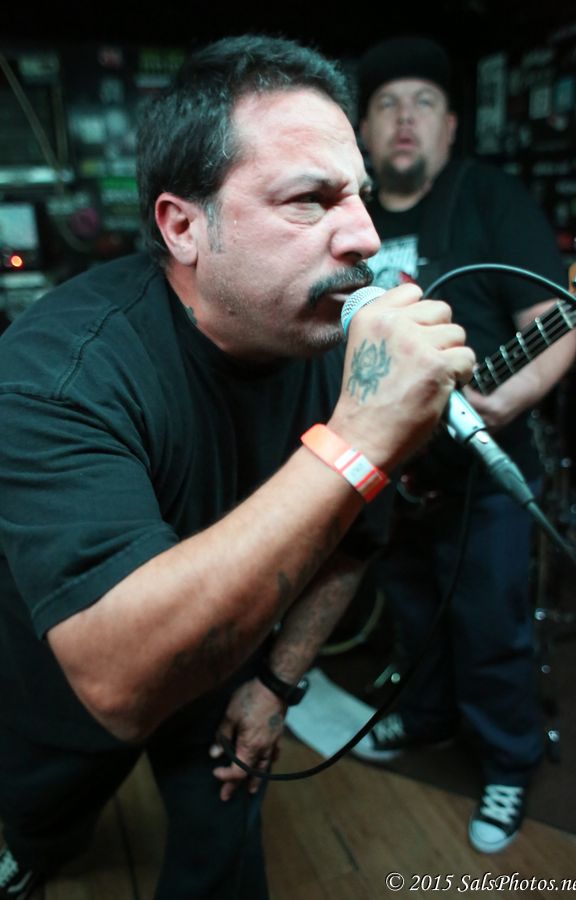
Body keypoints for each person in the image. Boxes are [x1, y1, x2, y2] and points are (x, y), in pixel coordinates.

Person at [0, 34, 475, 900]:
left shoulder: (327, 343)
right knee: (42, 837)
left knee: (223, 855)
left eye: (359, 197)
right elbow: (120, 681)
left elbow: (354, 539)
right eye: (310, 200)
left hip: (228, 665)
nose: (365, 236)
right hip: (62, 687)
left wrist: (277, 683)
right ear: (183, 226)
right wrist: (360, 434)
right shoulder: (56, 372)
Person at [351, 35, 576, 853]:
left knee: (491, 626)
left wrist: (504, 398)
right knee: (412, 613)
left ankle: (510, 763)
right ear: (364, 130)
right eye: (386, 105)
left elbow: (554, 326)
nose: (404, 119)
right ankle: (425, 716)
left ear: (450, 126)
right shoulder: (349, 214)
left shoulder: (489, 199)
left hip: (482, 470)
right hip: (386, 467)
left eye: (423, 103)